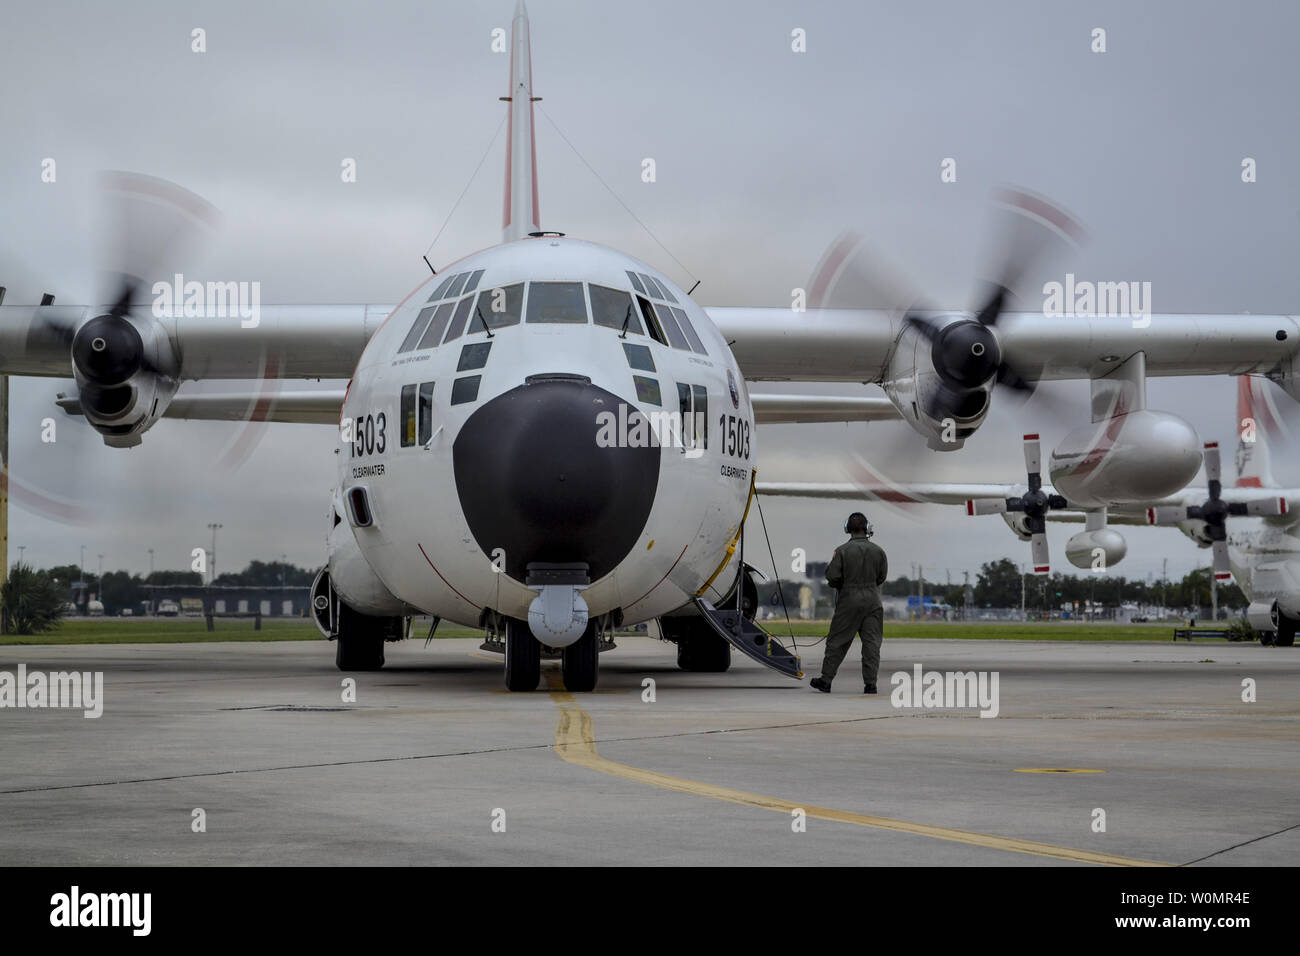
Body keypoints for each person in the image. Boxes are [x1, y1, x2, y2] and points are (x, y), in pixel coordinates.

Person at [811, 512, 888, 694]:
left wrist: (843, 585)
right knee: (871, 644)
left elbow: (832, 576)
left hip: (849, 600)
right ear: (867, 528)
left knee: (837, 642)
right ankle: (870, 684)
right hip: (872, 600)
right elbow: (881, 577)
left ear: (848, 529)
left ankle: (826, 680)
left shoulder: (842, 551)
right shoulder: (879, 551)